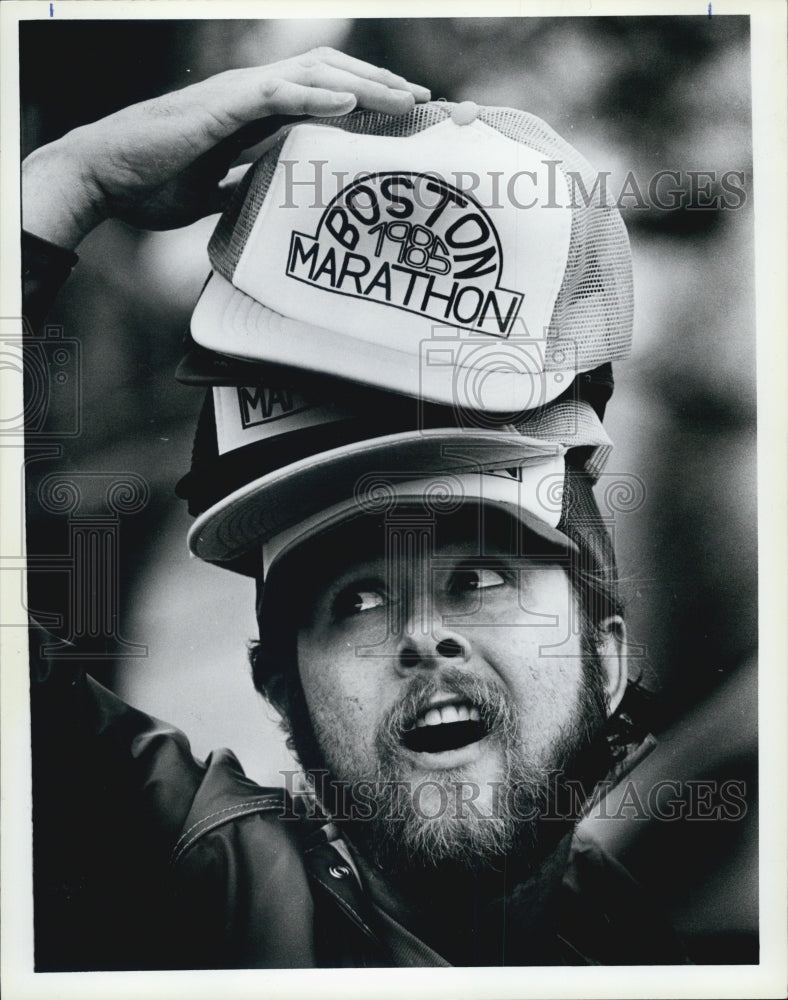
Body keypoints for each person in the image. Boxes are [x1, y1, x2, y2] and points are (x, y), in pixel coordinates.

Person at [23, 48, 685, 969]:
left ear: (605, 658)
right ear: (281, 695)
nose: (423, 635)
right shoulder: (195, 894)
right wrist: (62, 184)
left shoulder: (659, 929)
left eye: (481, 576)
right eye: (356, 601)